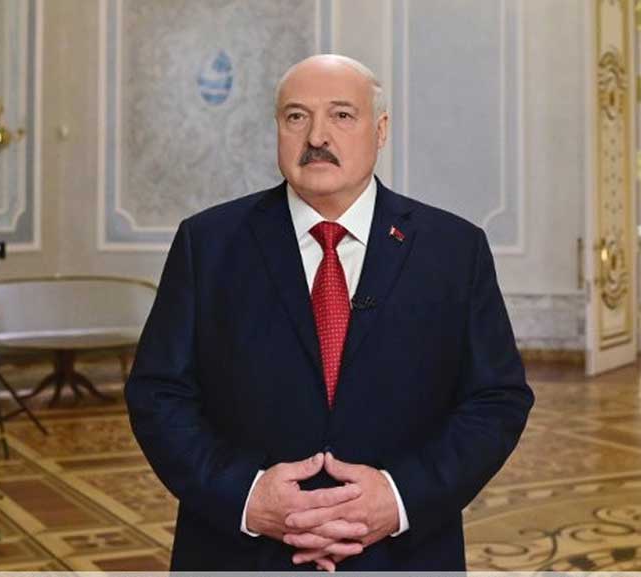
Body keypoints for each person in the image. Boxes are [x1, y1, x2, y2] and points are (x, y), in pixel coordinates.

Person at [125, 53, 533, 571]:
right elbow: (158, 394)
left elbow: (497, 399)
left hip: (402, 556)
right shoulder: (206, 244)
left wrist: (400, 497)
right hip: (239, 554)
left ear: (380, 130)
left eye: (342, 115)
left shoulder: (454, 250)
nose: (316, 135)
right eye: (296, 116)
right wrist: (247, 497)